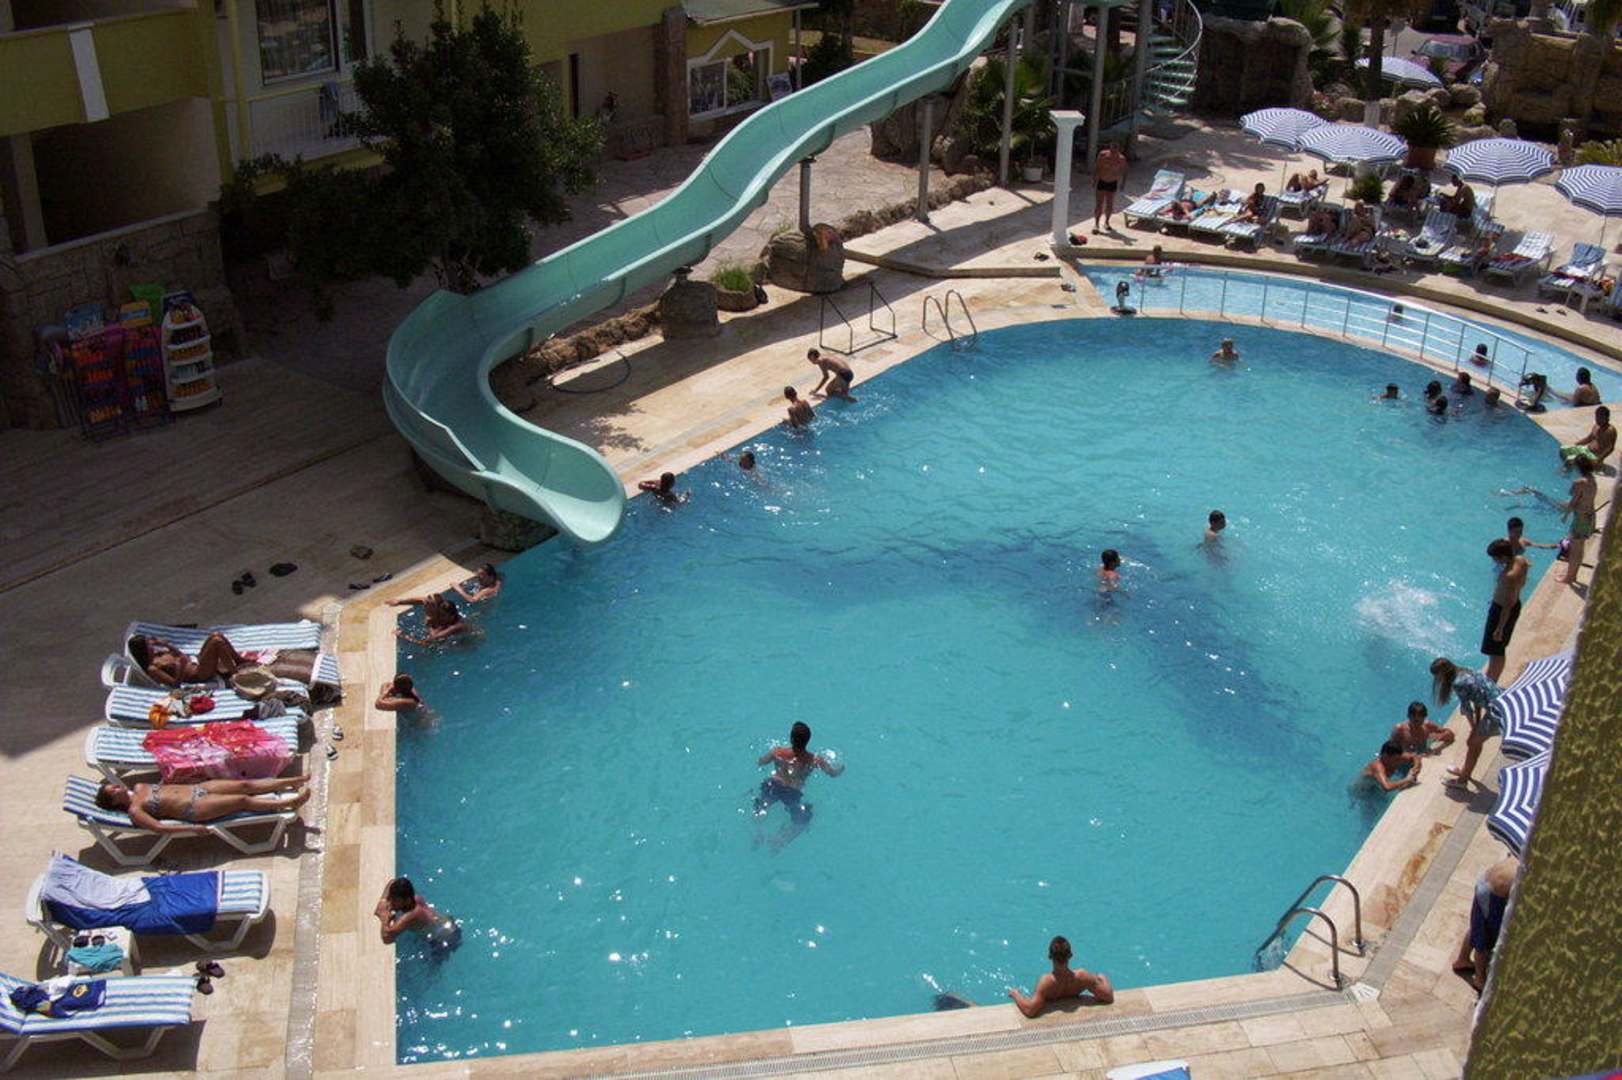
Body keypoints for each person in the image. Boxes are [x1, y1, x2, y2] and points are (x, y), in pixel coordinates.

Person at [94, 776, 310, 832]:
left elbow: (167, 787)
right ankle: (289, 804)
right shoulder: (135, 811)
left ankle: (294, 781)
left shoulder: (139, 786)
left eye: (113, 786)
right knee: (241, 801)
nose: (117, 787)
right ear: (113, 801)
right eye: (113, 791)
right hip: (194, 808)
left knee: (244, 784)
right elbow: (159, 828)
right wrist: (193, 828)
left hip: (197, 788)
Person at [754, 721, 844, 847]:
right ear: (808, 741)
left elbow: (761, 762)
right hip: (792, 792)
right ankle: (778, 839)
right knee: (803, 820)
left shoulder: (777, 752)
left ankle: (758, 833)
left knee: (761, 809)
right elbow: (832, 773)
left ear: (791, 738)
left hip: (774, 784)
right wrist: (841, 769)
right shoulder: (814, 760)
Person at [128, 633, 317, 687]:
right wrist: (180, 666)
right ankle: (235, 673)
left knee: (216, 636)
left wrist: (167, 645)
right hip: (197, 674)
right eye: (149, 644)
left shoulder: (159, 654)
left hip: (194, 663)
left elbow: (178, 655)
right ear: (143, 650)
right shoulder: (153, 668)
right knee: (216, 644)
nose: (152, 645)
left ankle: (238, 660)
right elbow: (174, 684)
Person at [1431, 657, 1503, 790]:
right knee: (1474, 742)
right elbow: (1476, 698)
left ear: (1442, 674)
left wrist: (1473, 727)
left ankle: (1462, 781)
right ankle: (1465, 772)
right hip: (1503, 700)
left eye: (1437, 676)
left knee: (1472, 742)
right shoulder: (1466, 670)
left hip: (1498, 713)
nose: (1437, 679)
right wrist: (1476, 725)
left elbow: (1467, 709)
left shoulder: (1458, 683)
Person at [1007, 935, 1114, 1017]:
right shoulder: (1082, 977)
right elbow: (1108, 996)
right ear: (1070, 955)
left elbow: (1030, 1010)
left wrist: (1015, 994)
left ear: (1050, 956)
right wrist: (1103, 978)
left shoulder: (1047, 982)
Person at [1453, 857, 1517, 992]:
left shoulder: (1522, 855)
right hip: (1493, 896)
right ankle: (1480, 979)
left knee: (1477, 927)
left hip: (1485, 881)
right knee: (1485, 941)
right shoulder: (1530, 873)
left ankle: (1462, 959)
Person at [1481, 538, 1530, 682]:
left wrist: (1500, 628)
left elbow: (1507, 604)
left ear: (1503, 557)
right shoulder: (1521, 561)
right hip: (1513, 606)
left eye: (1495, 558)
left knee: (1496, 651)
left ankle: (1491, 680)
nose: (1494, 561)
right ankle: (1492, 677)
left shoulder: (1508, 576)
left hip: (1502, 612)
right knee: (1499, 649)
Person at [375, 876, 460, 949]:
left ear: (407, 900)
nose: (391, 902)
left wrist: (384, 918)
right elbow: (393, 881)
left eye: (395, 900)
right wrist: (383, 900)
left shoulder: (411, 915)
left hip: (444, 939)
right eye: (391, 898)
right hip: (448, 924)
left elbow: (387, 939)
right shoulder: (415, 898)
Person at [1559, 455, 1599, 587]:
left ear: (1578, 467)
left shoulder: (1579, 482)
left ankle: (1568, 578)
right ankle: (1573, 575)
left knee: (1575, 550)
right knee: (1580, 548)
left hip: (1580, 519)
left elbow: (1573, 502)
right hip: (1590, 516)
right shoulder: (1592, 479)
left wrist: (1565, 515)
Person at [392, 594, 469, 646]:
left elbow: (426, 642)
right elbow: (423, 600)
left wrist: (402, 636)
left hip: (463, 643)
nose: (439, 615)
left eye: (442, 615)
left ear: (451, 616)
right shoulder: (445, 614)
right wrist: (399, 602)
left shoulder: (456, 626)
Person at [1560, 405, 1615, 470]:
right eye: (1596, 417)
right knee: (1563, 450)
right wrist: (1575, 444)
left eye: (1600, 418)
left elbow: (1610, 448)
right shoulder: (1596, 426)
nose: (1597, 420)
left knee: (1570, 460)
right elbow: (1589, 438)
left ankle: (1565, 473)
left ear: (1607, 418)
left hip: (1594, 456)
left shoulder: (1610, 431)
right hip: (1586, 450)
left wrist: (1599, 460)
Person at [1391, 700, 1456, 755]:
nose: (1417, 722)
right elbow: (1390, 749)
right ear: (1408, 716)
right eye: (1414, 719)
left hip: (1423, 754)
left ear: (1424, 717)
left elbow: (1450, 734)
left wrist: (1439, 739)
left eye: (1420, 719)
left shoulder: (1427, 726)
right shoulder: (1400, 729)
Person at [1093, 142, 1127, 231]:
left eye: (1115, 149)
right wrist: (1094, 180)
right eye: (1112, 149)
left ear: (1118, 149)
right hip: (1102, 181)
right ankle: (1096, 224)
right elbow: (1097, 167)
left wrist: (1123, 183)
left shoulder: (1121, 159)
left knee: (1110, 204)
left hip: (1112, 182)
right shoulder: (1103, 155)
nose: (1113, 151)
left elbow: (1124, 171)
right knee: (1099, 204)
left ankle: (1107, 222)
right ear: (1110, 147)